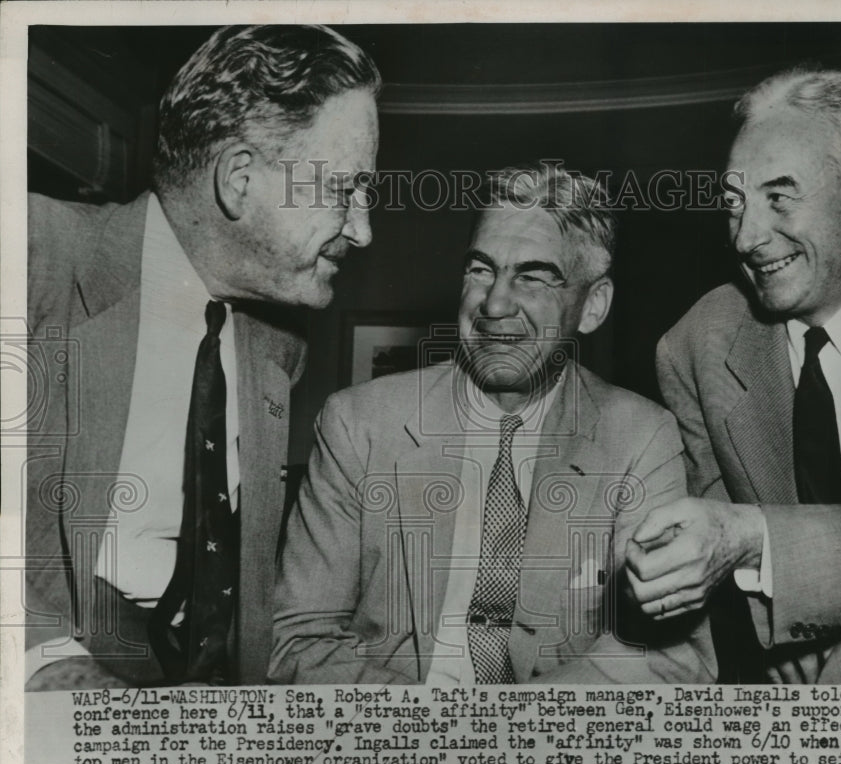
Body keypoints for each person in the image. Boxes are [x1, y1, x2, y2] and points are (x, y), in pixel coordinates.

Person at [25, 24, 380, 689]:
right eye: (342, 191)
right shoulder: (31, 255)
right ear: (238, 179)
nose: (363, 229)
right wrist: (50, 675)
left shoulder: (279, 346)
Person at [270, 163, 716, 685]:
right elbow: (296, 641)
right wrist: (438, 730)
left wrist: (506, 733)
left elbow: (672, 659)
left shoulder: (641, 437)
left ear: (592, 306)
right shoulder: (358, 425)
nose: (495, 303)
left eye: (531, 276)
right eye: (480, 270)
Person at [627, 67, 841, 684]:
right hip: (791, 699)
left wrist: (756, 538)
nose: (747, 236)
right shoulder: (695, 347)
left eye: (778, 197)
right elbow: (720, 592)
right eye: (734, 203)